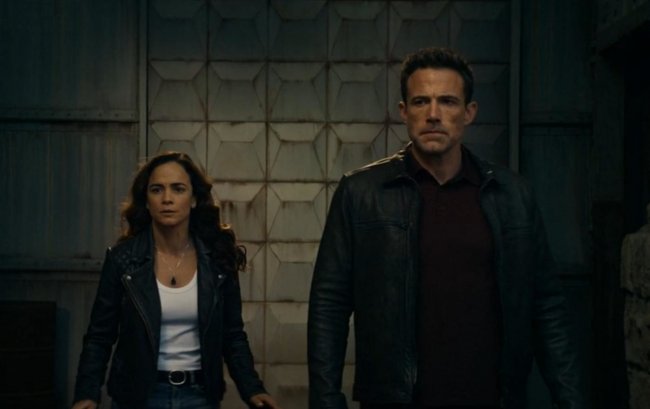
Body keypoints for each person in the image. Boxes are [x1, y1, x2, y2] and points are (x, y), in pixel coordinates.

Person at [307, 48, 585, 409]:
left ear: (469, 112)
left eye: (448, 101)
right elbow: (329, 304)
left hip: (491, 398)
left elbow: (545, 305)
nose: (433, 114)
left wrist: (570, 399)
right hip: (396, 400)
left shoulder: (512, 195)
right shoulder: (361, 193)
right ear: (404, 111)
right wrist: (326, 400)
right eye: (421, 101)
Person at [72, 152, 280, 409]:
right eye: (157, 189)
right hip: (137, 397)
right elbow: (99, 336)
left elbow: (233, 335)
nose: (167, 199)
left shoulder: (217, 259)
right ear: (146, 200)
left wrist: (253, 388)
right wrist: (87, 394)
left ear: (193, 199)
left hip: (199, 396)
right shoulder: (123, 260)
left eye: (178, 189)